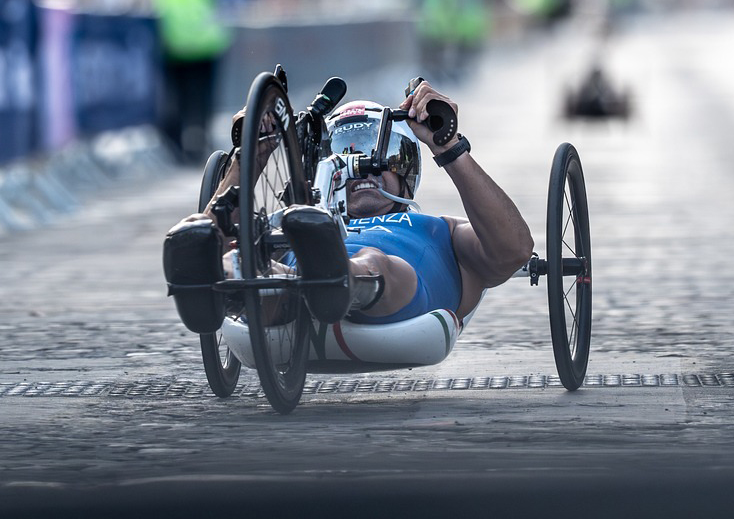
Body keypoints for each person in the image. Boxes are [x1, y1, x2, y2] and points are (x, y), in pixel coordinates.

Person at [163, 79, 534, 332]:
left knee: (374, 262)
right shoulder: (297, 223)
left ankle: (327, 280)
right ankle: (218, 286)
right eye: (343, 153)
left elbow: (513, 250)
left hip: (391, 287)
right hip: (290, 281)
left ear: (407, 169)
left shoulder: (440, 230)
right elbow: (222, 230)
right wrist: (252, 152)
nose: (361, 167)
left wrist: (447, 144)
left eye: (382, 154)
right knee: (236, 258)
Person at [147, 0, 232, 166]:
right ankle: (200, 142)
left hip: (174, 39)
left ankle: (184, 148)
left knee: (178, 99)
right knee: (202, 99)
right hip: (206, 38)